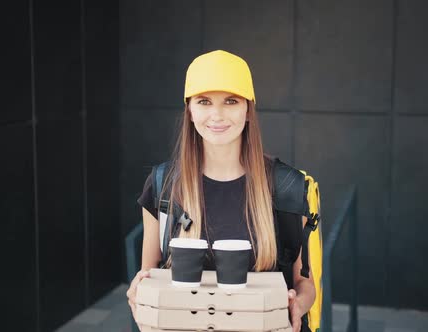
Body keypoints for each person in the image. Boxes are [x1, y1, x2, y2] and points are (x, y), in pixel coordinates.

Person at [126, 50, 317, 332]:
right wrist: (138, 292)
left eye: (230, 101)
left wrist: (297, 304)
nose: (217, 115)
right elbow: (149, 275)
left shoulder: (288, 187)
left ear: (248, 109)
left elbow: (305, 284)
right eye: (204, 101)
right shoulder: (162, 185)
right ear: (190, 110)